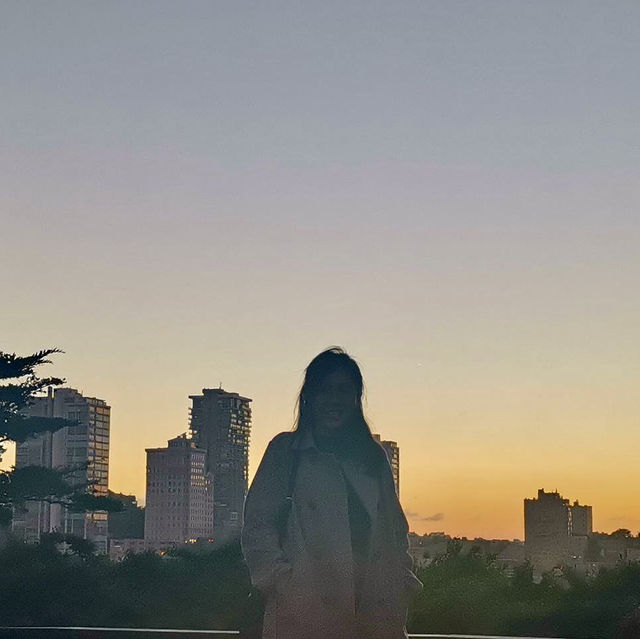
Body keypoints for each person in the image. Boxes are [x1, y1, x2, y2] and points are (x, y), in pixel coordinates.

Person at [241, 347, 423, 639]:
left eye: (343, 391)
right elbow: (257, 529)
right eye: (324, 390)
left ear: (356, 399)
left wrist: (400, 588)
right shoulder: (286, 452)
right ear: (309, 398)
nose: (333, 400)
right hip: (304, 620)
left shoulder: (371, 458)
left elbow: (394, 532)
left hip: (374, 620)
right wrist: (286, 587)